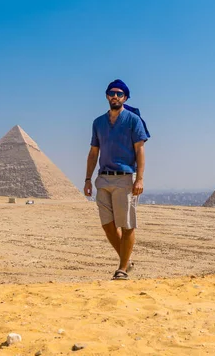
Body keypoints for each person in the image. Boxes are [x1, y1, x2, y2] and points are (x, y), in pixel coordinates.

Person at [84, 79, 149, 280]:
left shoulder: (132, 120)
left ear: (125, 97)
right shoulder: (98, 122)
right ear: (106, 96)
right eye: (112, 93)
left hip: (124, 178)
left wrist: (140, 179)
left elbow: (140, 149)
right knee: (107, 225)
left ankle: (122, 268)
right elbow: (93, 152)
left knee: (127, 224)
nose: (115, 96)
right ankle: (126, 260)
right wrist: (87, 178)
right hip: (103, 179)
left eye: (119, 94)